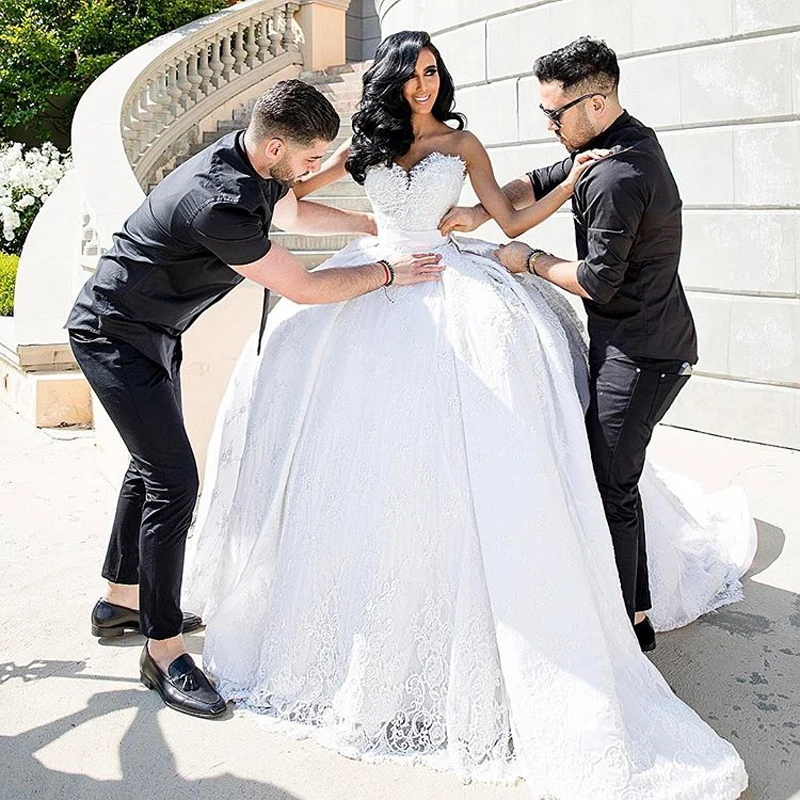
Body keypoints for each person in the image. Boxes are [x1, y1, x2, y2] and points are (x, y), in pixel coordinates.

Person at [183, 32, 752, 797]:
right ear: (390, 81)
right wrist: (364, 232)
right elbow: (294, 200)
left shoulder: (464, 140)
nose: (426, 85)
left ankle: (594, 603)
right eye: (414, 75)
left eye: (433, 73)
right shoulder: (366, 144)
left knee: (487, 451)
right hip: (381, 276)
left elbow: (505, 223)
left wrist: (561, 190)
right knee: (358, 455)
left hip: (453, 286)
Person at [66, 79, 446, 719]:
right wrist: (388, 271)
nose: (312, 172)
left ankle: (120, 601)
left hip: (154, 329)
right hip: (113, 335)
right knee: (173, 481)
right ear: (274, 147)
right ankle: (163, 650)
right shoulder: (216, 201)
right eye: (307, 161)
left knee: (149, 466)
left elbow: (292, 213)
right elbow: (301, 287)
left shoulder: (252, 162)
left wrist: (377, 224)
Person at [441, 37, 699, 653]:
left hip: (645, 357)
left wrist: (526, 258)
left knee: (612, 482)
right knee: (609, 476)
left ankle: (631, 623)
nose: (551, 126)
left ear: (599, 99)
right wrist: (485, 210)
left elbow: (595, 281)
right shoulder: (609, 142)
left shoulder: (619, 176)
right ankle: (625, 604)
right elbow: (539, 179)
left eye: (556, 115)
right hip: (635, 343)